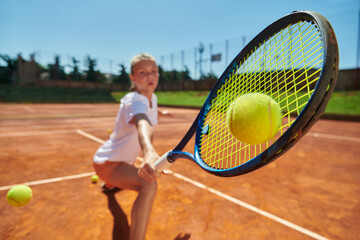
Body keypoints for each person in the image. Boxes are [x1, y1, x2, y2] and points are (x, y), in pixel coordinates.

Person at [93, 53, 170, 240]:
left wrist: (160, 113)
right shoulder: (134, 99)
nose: (149, 76)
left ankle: (110, 186)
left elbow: (149, 112)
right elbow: (142, 121)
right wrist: (149, 152)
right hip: (107, 163)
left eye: (154, 71)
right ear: (132, 78)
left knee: (132, 177)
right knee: (148, 184)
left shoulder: (152, 98)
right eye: (142, 72)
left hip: (121, 161)